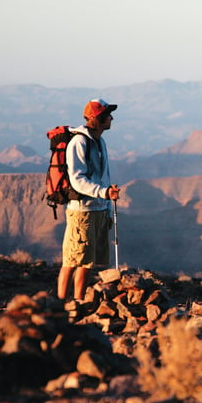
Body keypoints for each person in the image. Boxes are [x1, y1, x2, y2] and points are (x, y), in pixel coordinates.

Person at [57, 98, 121, 301]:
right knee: (72, 260)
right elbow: (77, 180)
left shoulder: (100, 141)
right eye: (107, 114)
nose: (111, 118)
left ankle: (78, 302)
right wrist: (102, 193)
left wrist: (107, 209)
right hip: (82, 211)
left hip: (98, 210)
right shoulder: (79, 142)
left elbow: (104, 177)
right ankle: (61, 305)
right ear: (97, 118)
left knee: (87, 263)